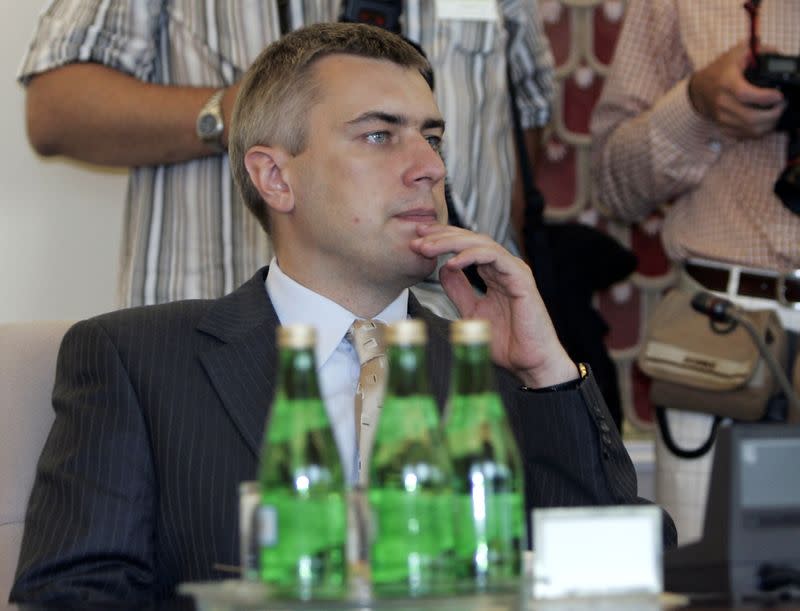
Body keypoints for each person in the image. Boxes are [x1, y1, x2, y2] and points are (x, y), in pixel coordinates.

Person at [11, 23, 674, 604]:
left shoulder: (496, 365)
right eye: (381, 135)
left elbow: (625, 578)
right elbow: (72, 596)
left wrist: (547, 373)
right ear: (275, 177)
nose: (429, 168)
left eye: (433, 137)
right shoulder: (137, 359)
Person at [18, 0, 553, 317]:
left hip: (456, 340)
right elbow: (56, 108)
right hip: (220, 348)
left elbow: (524, 116)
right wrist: (242, 112)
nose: (430, 166)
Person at [590, 0, 800, 543]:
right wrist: (696, 107)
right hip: (717, 342)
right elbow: (614, 185)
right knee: (705, 574)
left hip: (717, 341)